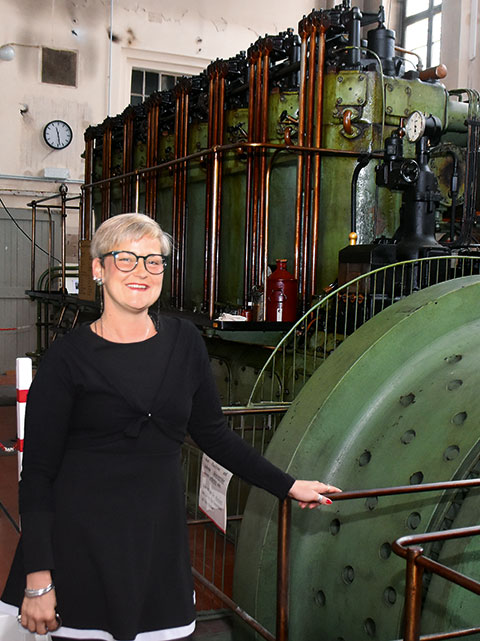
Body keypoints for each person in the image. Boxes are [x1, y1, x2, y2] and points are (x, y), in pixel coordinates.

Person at [0, 213, 341, 640]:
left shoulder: (184, 343)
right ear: (97, 269)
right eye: (125, 259)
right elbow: (38, 476)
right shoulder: (67, 359)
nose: (141, 272)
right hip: (80, 546)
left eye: (153, 261)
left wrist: (288, 485)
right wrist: (39, 578)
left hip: (156, 542)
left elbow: (213, 433)